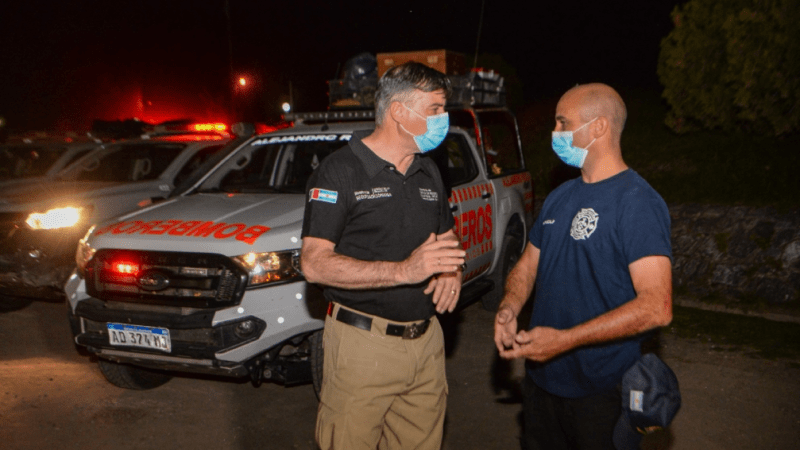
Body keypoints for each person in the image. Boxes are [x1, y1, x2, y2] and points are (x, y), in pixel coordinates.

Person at [493, 83, 673, 450]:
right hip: (541, 385)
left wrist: (565, 340)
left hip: (600, 392)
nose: (555, 134)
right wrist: (509, 307)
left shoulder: (637, 202)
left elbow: (658, 306)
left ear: (599, 127)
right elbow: (528, 265)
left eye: (563, 123)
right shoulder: (560, 197)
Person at [301, 62, 466, 450]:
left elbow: (447, 237)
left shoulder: (428, 172)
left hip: (427, 343)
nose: (444, 119)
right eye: (435, 109)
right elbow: (313, 262)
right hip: (363, 345)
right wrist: (404, 271)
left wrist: (450, 272)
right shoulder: (339, 172)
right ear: (398, 111)